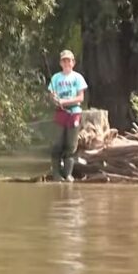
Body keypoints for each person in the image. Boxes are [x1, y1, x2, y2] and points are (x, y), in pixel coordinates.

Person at [48, 50, 88, 182]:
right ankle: (56, 174)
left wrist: (65, 101)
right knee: (57, 144)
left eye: (69, 60)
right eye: (64, 60)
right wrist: (54, 99)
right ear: (60, 63)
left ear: (73, 63)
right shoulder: (55, 78)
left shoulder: (78, 77)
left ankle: (67, 174)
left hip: (74, 112)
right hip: (60, 113)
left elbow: (80, 97)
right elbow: (51, 95)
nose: (66, 63)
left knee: (71, 145)